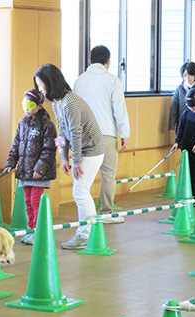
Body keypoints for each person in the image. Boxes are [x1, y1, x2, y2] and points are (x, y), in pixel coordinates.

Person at [34, 64, 105, 250]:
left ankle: (85, 235)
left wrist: (77, 161)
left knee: (80, 192)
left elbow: (75, 132)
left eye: (41, 85)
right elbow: (61, 132)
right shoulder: (58, 102)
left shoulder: (69, 102)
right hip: (82, 150)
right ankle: (88, 232)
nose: (40, 89)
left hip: (92, 149)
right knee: (81, 191)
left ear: (50, 82)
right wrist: (64, 157)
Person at [73, 45, 130, 224]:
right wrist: (125, 134)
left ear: (90, 60)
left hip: (83, 135)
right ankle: (106, 213)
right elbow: (119, 109)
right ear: (108, 62)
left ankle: (85, 214)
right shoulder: (113, 80)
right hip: (106, 133)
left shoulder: (79, 81)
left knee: (83, 178)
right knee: (108, 175)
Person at [3, 89, 57, 245]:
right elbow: (16, 145)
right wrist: (10, 164)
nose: (27, 110)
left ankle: (39, 231)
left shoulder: (47, 125)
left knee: (35, 201)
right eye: (24, 106)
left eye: (30, 106)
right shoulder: (23, 123)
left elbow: (49, 150)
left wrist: (39, 169)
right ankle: (31, 229)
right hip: (25, 171)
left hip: (38, 173)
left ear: (39, 106)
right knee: (27, 201)